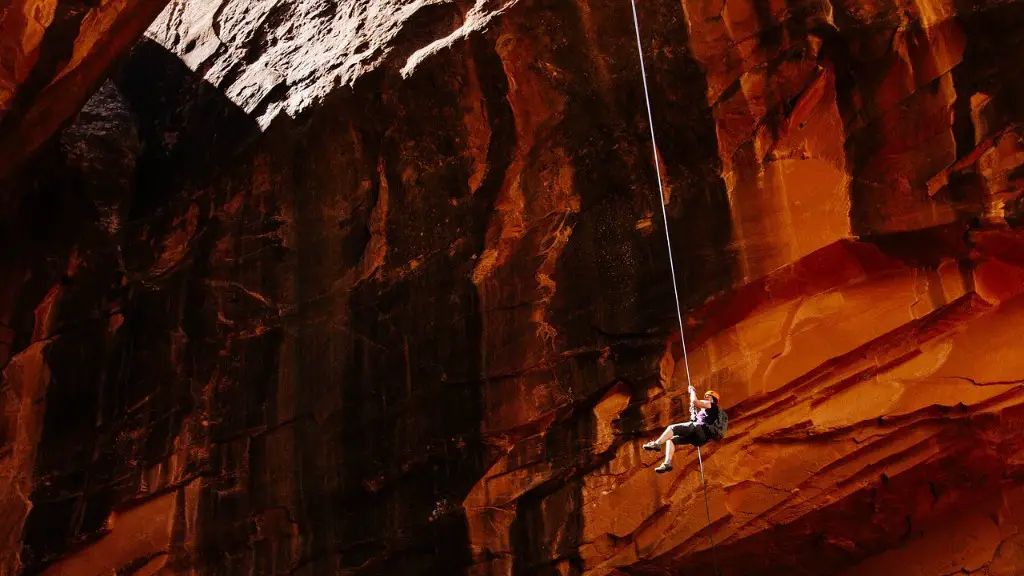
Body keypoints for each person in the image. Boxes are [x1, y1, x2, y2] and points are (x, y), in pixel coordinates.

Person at [643, 386, 722, 473]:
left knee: (672, 428)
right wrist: (694, 415)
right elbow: (700, 418)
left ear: (713, 399)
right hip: (701, 439)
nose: (706, 398)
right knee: (671, 440)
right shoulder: (708, 412)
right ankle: (667, 463)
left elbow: (695, 401)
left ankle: (656, 444)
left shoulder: (712, 405)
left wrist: (692, 391)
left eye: (708, 396)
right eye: (706, 396)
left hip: (700, 429)